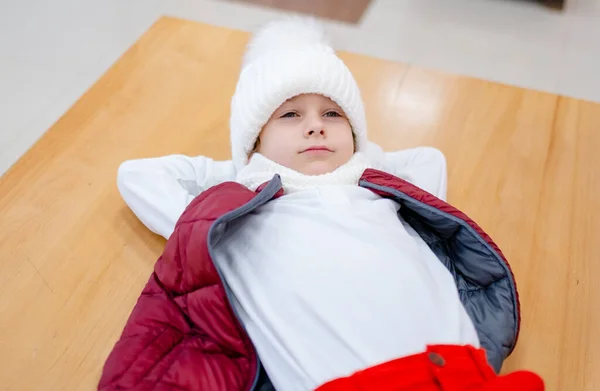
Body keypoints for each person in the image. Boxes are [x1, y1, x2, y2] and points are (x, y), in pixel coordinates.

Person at [98, 18, 543, 391]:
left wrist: (358, 160)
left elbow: (428, 159)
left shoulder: (377, 193)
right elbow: (136, 175)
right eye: (290, 115)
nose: (315, 127)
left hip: (465, 373)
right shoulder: (240, 222)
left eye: (333, 114)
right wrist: (247, 170)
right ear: (255, 140)